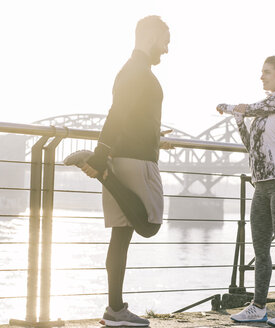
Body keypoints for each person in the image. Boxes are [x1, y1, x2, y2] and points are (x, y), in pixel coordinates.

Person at [72, 15, 170, 327]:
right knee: (150, 224)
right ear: (152, 36)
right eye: (165, 42)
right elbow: (117, 114)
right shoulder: (137, 71)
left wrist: (155, 137)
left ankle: (115, 309)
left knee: (121, 236)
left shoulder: (134, 70)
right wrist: (100, 161)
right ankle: (106, 178)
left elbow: (130, 117)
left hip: (127, 156)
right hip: (134, 162)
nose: (166, 50)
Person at [216, 56, 275, 328]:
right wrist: (239, 119)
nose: (262, 77)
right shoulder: (264, 110)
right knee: (261, 250)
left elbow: (253, 107)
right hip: (262, 185)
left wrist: (229, 107)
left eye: (267, 72)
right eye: (262, 72)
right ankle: (258, 307)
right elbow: (252, 147)